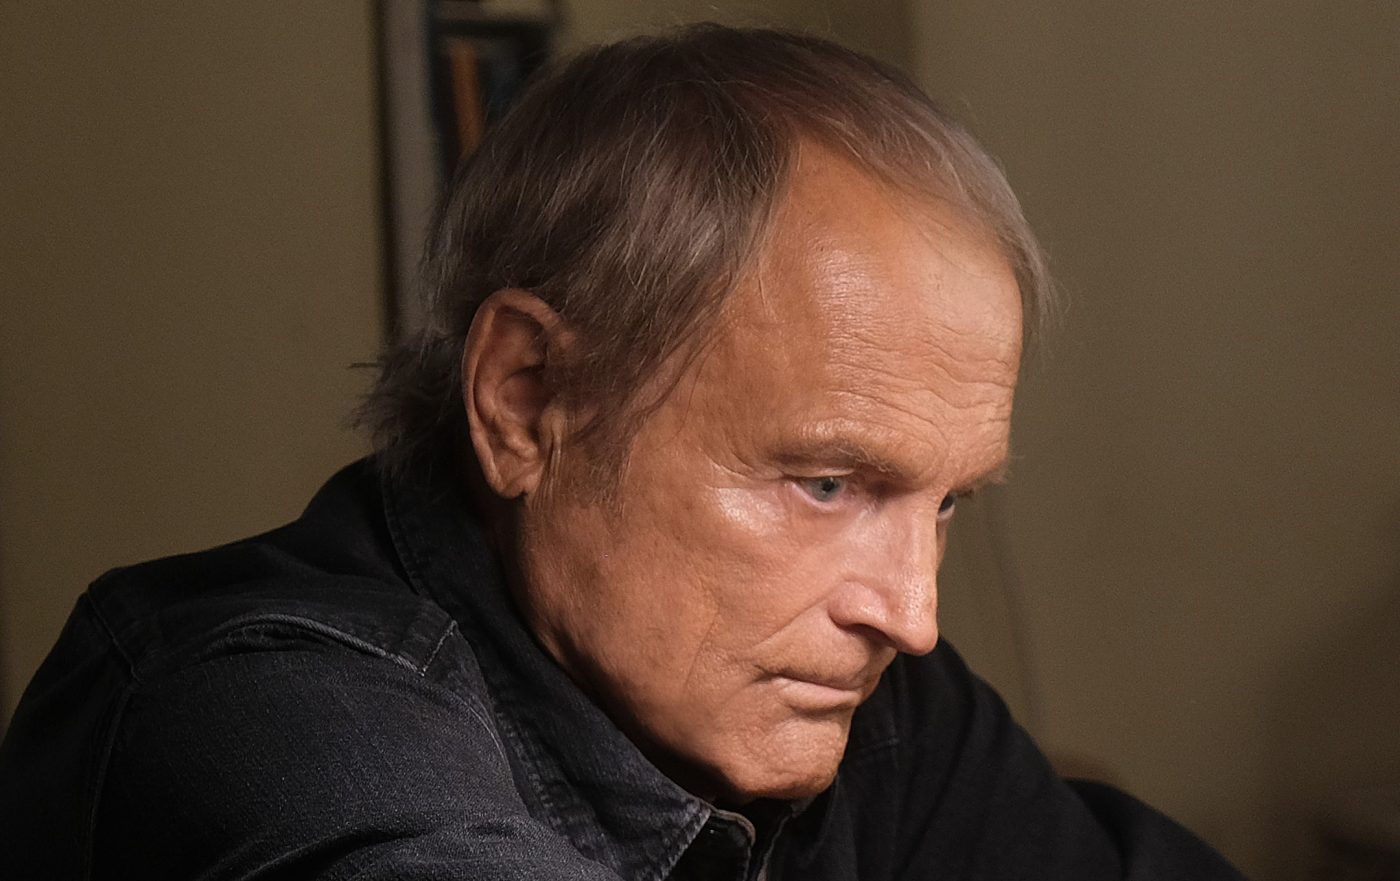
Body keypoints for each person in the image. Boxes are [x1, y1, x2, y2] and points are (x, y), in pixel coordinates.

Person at [0, 25, 1244, 881]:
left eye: (948, 500)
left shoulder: (872, 697)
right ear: (526, 399)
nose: (909, 615)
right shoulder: (260, 705)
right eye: (824, 482)